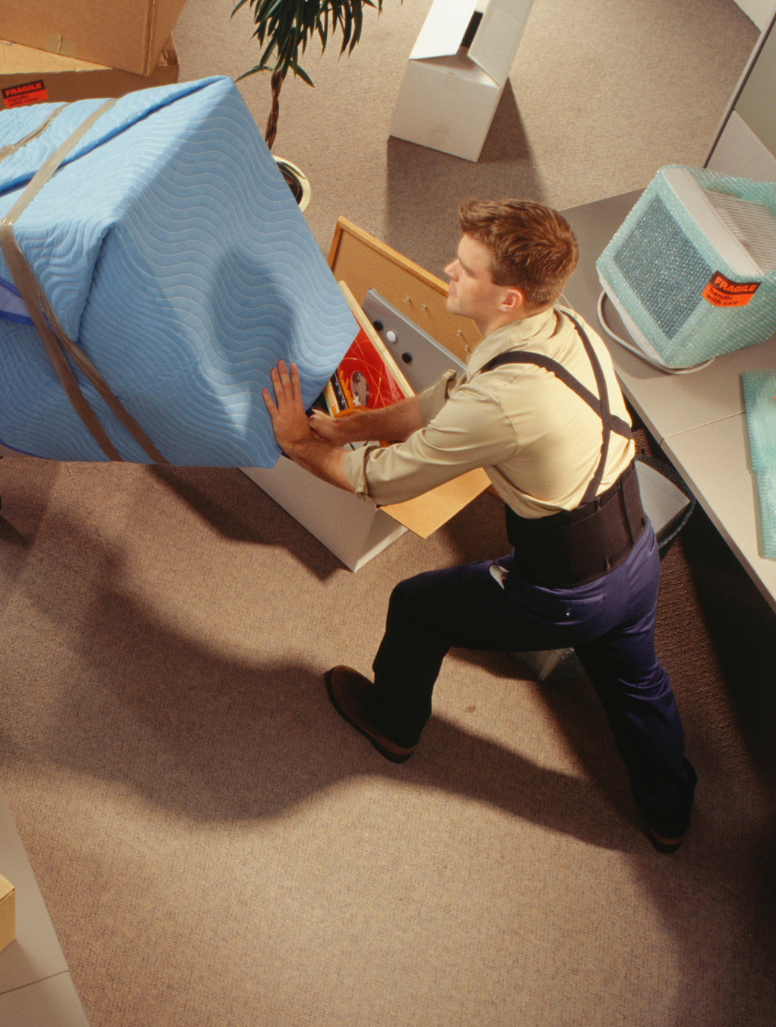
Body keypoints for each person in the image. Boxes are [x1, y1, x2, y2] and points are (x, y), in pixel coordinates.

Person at [262, 200, 697, 852]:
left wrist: (299, 443)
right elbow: (446, 400)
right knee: (638, 682)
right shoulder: (559, 328)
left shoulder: (504, 403)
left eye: (465, 269)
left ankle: (392, 723)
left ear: (509, 296)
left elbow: (380, 481)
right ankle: (671, 812)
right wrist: (349, 426)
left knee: (417, 606)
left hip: (561, 593)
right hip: (633, 556)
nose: (448, 271)